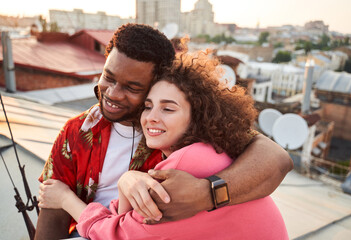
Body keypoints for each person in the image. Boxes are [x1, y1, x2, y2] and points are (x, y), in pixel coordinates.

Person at [35, 23, 292, 240]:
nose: (112, 93)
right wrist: (128, 181)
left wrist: (205, 193)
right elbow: (52, 203)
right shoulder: (77, 132)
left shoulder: (184, 137)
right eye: (108, 77)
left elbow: (276, 158)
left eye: (132, 87)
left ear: (157, 83)